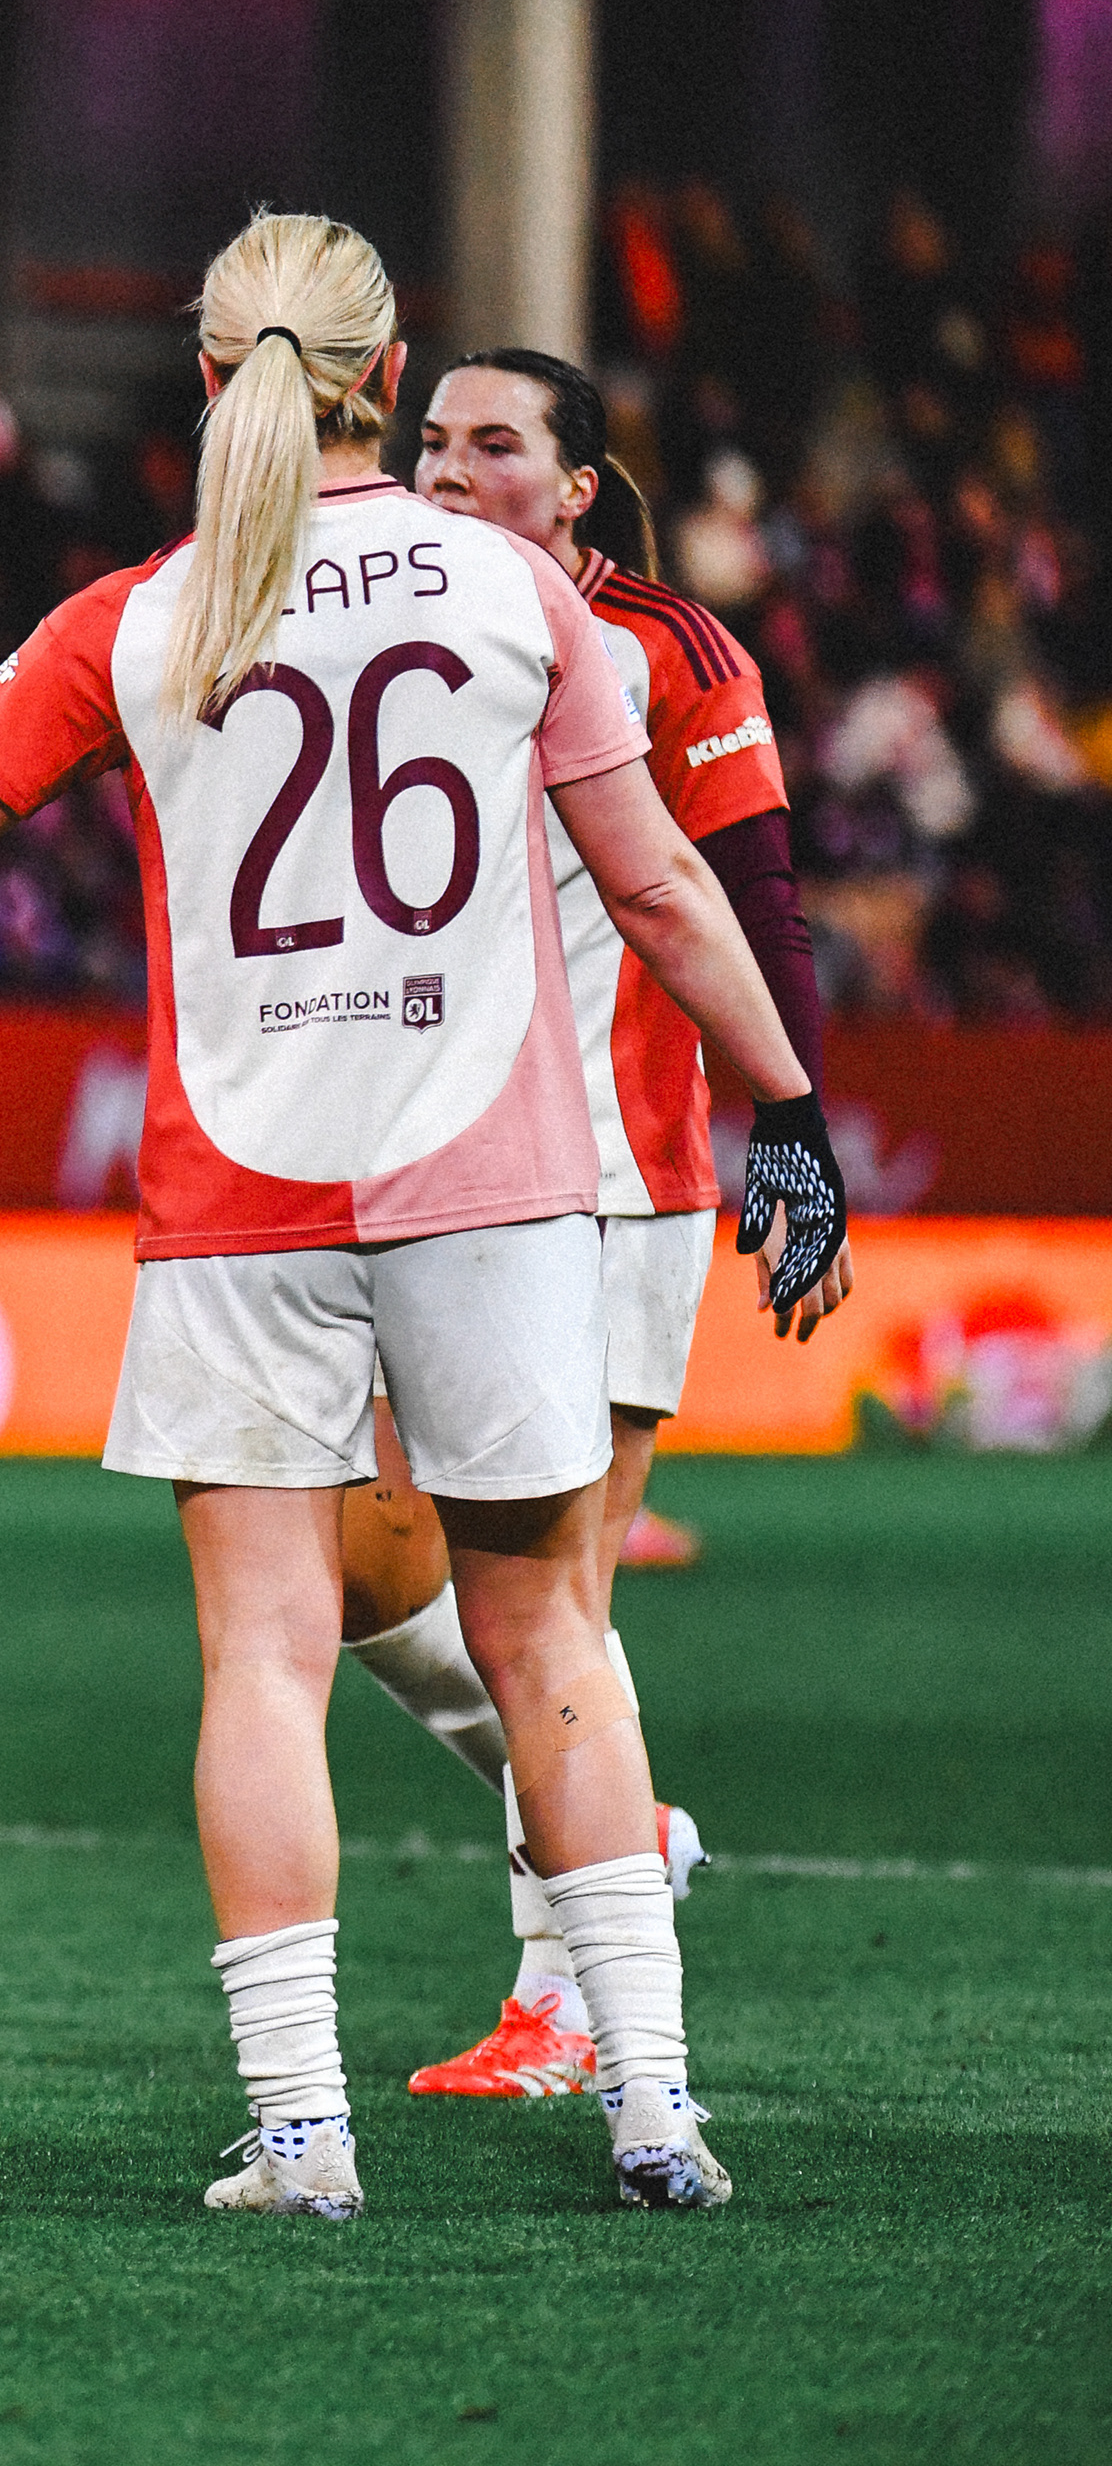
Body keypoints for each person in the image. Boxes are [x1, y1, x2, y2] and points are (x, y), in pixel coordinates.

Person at [0, 213, 848, 2217]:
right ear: (390, 380)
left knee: (267, 1658)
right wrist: (791, 1110)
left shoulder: (147, 610)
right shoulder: (519, 587)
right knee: (553, 1632)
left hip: (241, 1191)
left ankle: (303, 2131)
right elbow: (662, 884)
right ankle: (656, 2108)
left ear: (211, 380)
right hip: (496, 1177)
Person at [336, 347, 837, 2098]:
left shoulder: (666, 648)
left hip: (619, 1174)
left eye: (495, 445)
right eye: (432, 440)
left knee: (556, 1596)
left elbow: (749, 896)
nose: (449, 470)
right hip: (426, 1172)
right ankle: (624, 1820)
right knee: (362, 1565)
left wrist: (794, 1119)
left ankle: (562, 1999)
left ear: (578, 487)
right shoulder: (392, 623)